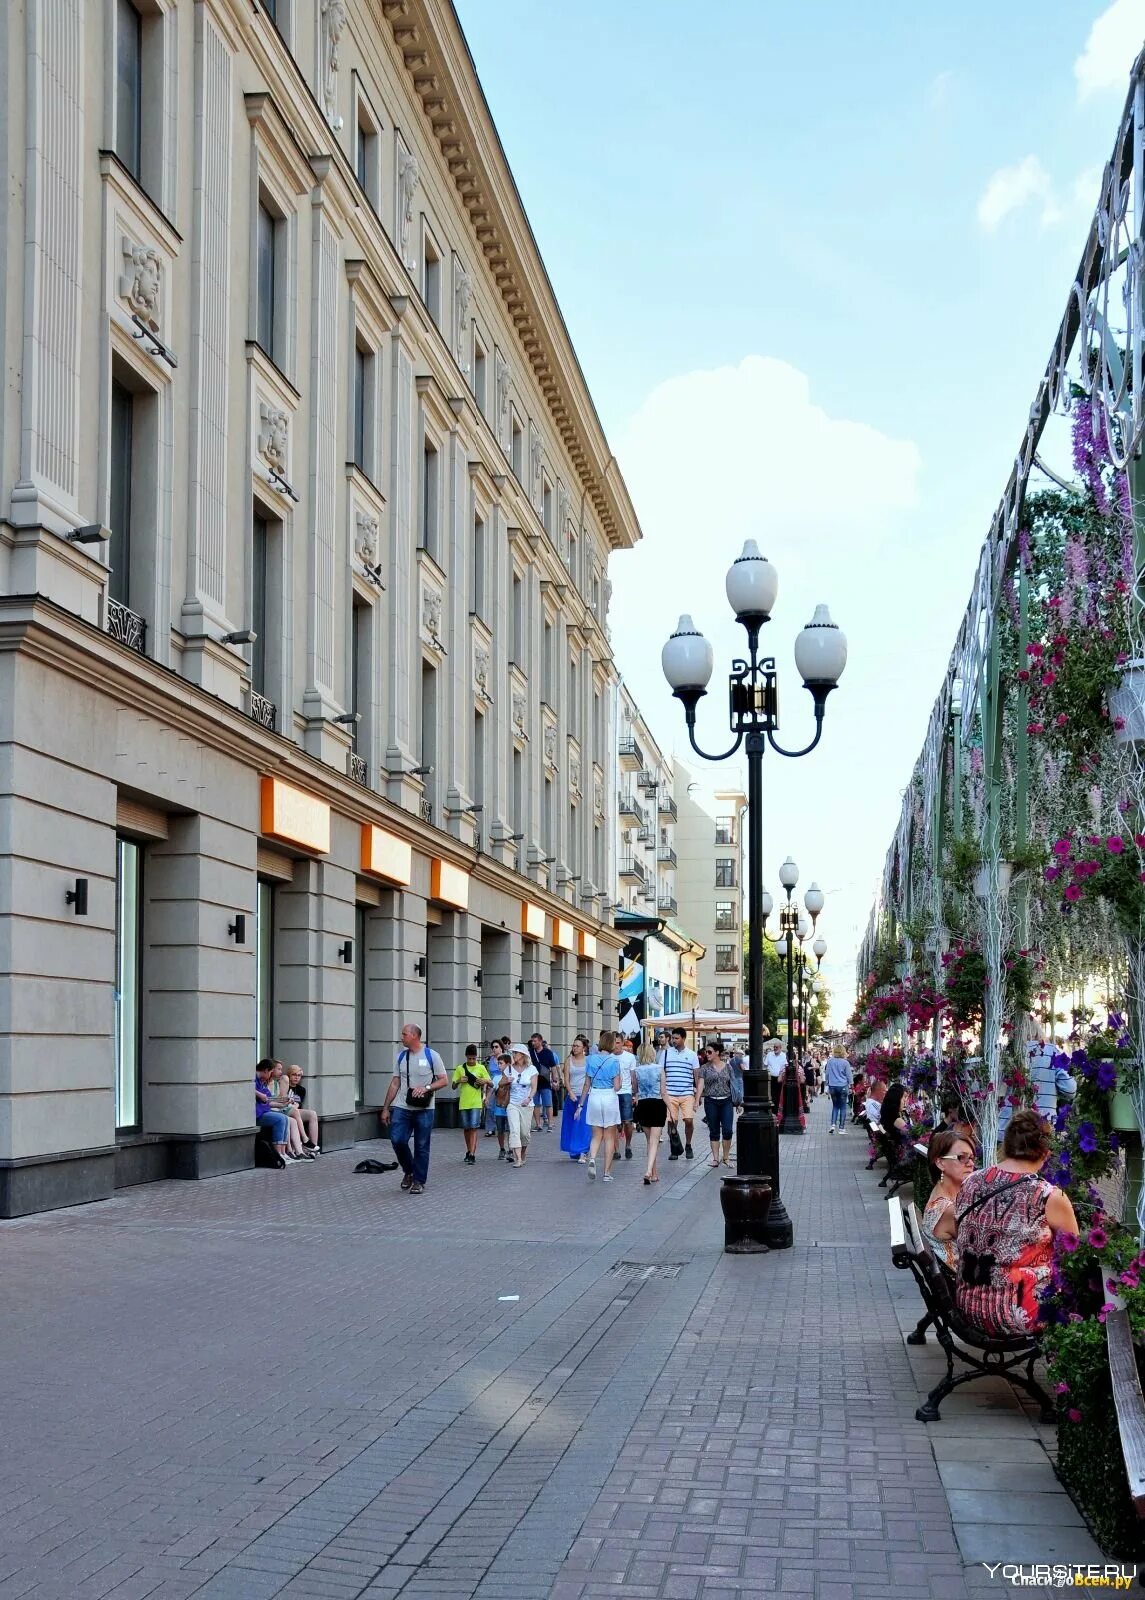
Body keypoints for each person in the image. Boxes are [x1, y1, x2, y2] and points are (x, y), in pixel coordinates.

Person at [955, 1109, 1078, 1337]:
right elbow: (1075, 1254)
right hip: (1018, 1314)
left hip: (968, 1306)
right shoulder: (1047, 1196)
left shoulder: (971, 1181)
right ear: (1046, 1152)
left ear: (1007, 1145)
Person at [380, 1023, 447, 1194]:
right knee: (397, 1140)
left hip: (425, 1109)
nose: (401, 1037)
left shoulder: (432, 1056)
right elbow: (395, 1083)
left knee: (422, 1145)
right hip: (402, 1107)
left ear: (414, 1036)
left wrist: (427, 1088)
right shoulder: (401, 1057)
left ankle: (418, 1180)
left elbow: (443, 1080)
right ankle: (409, 1171)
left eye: (404, 1034)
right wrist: (386, 1108)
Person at [922, 1129, 975, 1273]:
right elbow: (985, 1244)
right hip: (965, 1287)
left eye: (971, 1157)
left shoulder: (941, 1194)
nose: (970, 1163)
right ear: (940, 1163)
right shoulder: (949, 1210)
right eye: (961, 1157)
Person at [577, 1030, 622, 1181]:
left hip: (594, 1096)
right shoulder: (614, 1061)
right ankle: (607, 1173)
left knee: (596, 1135)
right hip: (609, 1096)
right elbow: (617, 1086)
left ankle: (592, 1158)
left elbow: (586, 1083)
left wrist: (580, 1104)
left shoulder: (590, 1059)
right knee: (609, 1136)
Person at [658, 1027, 699, 1161]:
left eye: (677, 1038)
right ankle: (674, 1148)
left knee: (688, 1120)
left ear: (683, 1038)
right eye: (673, 1038)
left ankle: (688, 1145)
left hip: (687, 1092)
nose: (674, 1041)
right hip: (670, 1093)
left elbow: (696, 1075)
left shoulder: (692, 1055)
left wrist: (698, 1094)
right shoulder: (665, 1054)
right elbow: (661, 1072)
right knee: (671, 1122)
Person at [697, 1040, 735, 1169]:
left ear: (717, 1052)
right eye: (705, 1052)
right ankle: (715, 1158)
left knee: (728, 1130)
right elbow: (701, 1084)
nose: (706, 1054)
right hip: (711, 1101)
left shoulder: (728, 1067)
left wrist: (739, 1102)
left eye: (709, 1052)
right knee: (714, 1130)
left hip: (726, 1101)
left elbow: (733, 1085)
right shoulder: (704, 1068)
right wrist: (697, 1100)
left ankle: (726, 1157)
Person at [452, 1044, 491, 1165]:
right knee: (466, 1128)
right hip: (464, 1103)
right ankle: (468, 1150)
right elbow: (453, 1086)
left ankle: (472, 1154)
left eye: (474, 1058)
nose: (472, 1061)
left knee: (474, 1127)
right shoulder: (460, 1068)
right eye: (469, 1058)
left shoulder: (481, 1068)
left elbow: (491, 1084)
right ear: (466, 1057)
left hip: (476, 1103)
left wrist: (484, 1081)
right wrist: (458, 1081)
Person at [633, 1042, 667, 1184]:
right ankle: (648, 1171)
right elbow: (664, 1092)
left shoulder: (636, 1070)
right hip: (657, 1104)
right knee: (654, 1141)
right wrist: (671, 1109)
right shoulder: (660, 1069)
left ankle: (654, 1173)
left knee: (649, 1141)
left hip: (643, 1104)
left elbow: (635, 1091)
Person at [504, 1045, 537, 1168]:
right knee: (514, 1130)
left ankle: (522, 1154)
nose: (513, 1056)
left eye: (516, 1053)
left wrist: (529, 1098)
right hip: (513, 1103)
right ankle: (517, 1158)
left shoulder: (532, 1069)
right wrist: (506, 1081)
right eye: (513, 1053)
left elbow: (534, 1087)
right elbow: (500, 1084)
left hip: (527, 1105)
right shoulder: (509, 1069)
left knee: (524, 1133)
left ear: (522, 1055)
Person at [560, 1034, 592, 1161]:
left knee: (583, 1125)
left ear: (584, 1047)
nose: (575, 1048)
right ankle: (574, 1149)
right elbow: (566, 1079)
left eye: (577, 1046)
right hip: (572, 1095)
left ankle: (583, 1151)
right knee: (571, 1124)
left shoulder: (588, 1060)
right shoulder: (569, 1060)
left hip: (585, 1095)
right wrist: (570, 1093)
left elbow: (589, 1079)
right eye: (573, 1045)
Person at [255, 1058, 290, 1162]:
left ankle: (283, 1153)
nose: (270, 1075)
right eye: (270, 1072)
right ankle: (277, 1155)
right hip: (256, 1115)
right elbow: (246, 1087)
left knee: (285, 1118)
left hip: (263, 1112)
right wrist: (259, 1094)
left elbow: (269, 1101)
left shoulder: (262, 1082)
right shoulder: (252, 1078)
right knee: (280, 1119)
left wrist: (283, 1104)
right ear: (266, 1070)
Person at [285, 1066, 321, 1154]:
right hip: (285, 1110)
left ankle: (312, 1146)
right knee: (295, 1114)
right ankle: (303, 1143)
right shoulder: (284, 1085)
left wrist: (293, 1106)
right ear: (289, 1075)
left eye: (299, 1075)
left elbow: (297, 1105)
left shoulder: (301, 1090)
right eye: (294, 1075)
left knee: (312, 1114)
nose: (296, 1077)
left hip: (295, 1111)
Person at [528, 1032, 559, 1131]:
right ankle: (538, 1125)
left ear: (540, 1041)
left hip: (545, 1082)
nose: (533, 1043)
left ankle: (550, 1124)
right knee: (536, 1104)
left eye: (535, 1041)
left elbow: (553, 1067)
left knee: (548, 1103)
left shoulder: (548, 1053)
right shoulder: (530, 1052)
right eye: (532, 1041)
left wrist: (555, 1080)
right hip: (533, 1081)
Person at [615, 1034, 637, 1160]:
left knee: (627, 1121)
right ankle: (616, 1150)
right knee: (614, 1124)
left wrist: (635, 1094)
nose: (615, 1045)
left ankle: (628, 1145)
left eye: (618, 1043)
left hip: (626, 1092)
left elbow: (633, 1077)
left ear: (622, 1043)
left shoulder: (629, 1057)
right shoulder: (609, 1057)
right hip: (612, 1093)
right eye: (614, 1043)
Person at [824, 1046, 853, 1134]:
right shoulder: (845, 1062)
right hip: (843, 1086)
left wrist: (826, 1084)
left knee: (835, 1106)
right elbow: (849, 1075)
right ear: (843, 1052)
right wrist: (851, 1085)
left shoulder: (830, 1061)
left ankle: (832, 1125)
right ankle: (841, 1128)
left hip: (832, 1086)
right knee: (843, 1107)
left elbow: (827, 1073)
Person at [764, 1038, 787, 1112]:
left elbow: (785, 1066)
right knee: (771, 1094)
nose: (775, 1048)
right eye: (774, 1047)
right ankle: (773, 1110)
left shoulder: (783, 1055)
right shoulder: (769, 1054)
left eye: (776, 1047)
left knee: (779, 1094)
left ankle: (778, 1110)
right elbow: (765, 1065)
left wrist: (782, 1074)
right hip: (771, 1077)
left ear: (780, 1048)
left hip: (779, 1078)